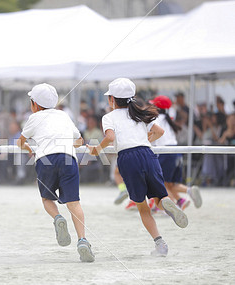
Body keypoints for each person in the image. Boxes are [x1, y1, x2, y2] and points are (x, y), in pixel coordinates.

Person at [87, 78, 188, 257]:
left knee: (143, 207)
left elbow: (110, 138)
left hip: (128, 158)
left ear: (112, 100)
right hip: (148, 154)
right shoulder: (140, 112)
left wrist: (96, 149)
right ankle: (167, 203)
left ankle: (160, 244)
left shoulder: (108, 117)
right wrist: (142, 142)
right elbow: (159, 132)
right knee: (159, 197)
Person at [17, 83, 95, 262]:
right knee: (74, 203)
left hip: (45, 159)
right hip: (68, 158)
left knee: (47, 199)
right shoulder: (64, 116)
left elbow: (20, 142)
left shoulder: (33, 118)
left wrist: (29, 147)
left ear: (34, 104)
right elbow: (79, 140)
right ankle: (82, 240)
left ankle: (58, 218)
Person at [149, 95, 202, 210]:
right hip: (176, 151)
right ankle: (183, 197)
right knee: (170, 183)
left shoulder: (155, 119)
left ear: (156, 107)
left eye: (152, 105)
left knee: (159, 183)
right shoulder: (168, 118)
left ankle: (171, 205)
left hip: (164, 152)